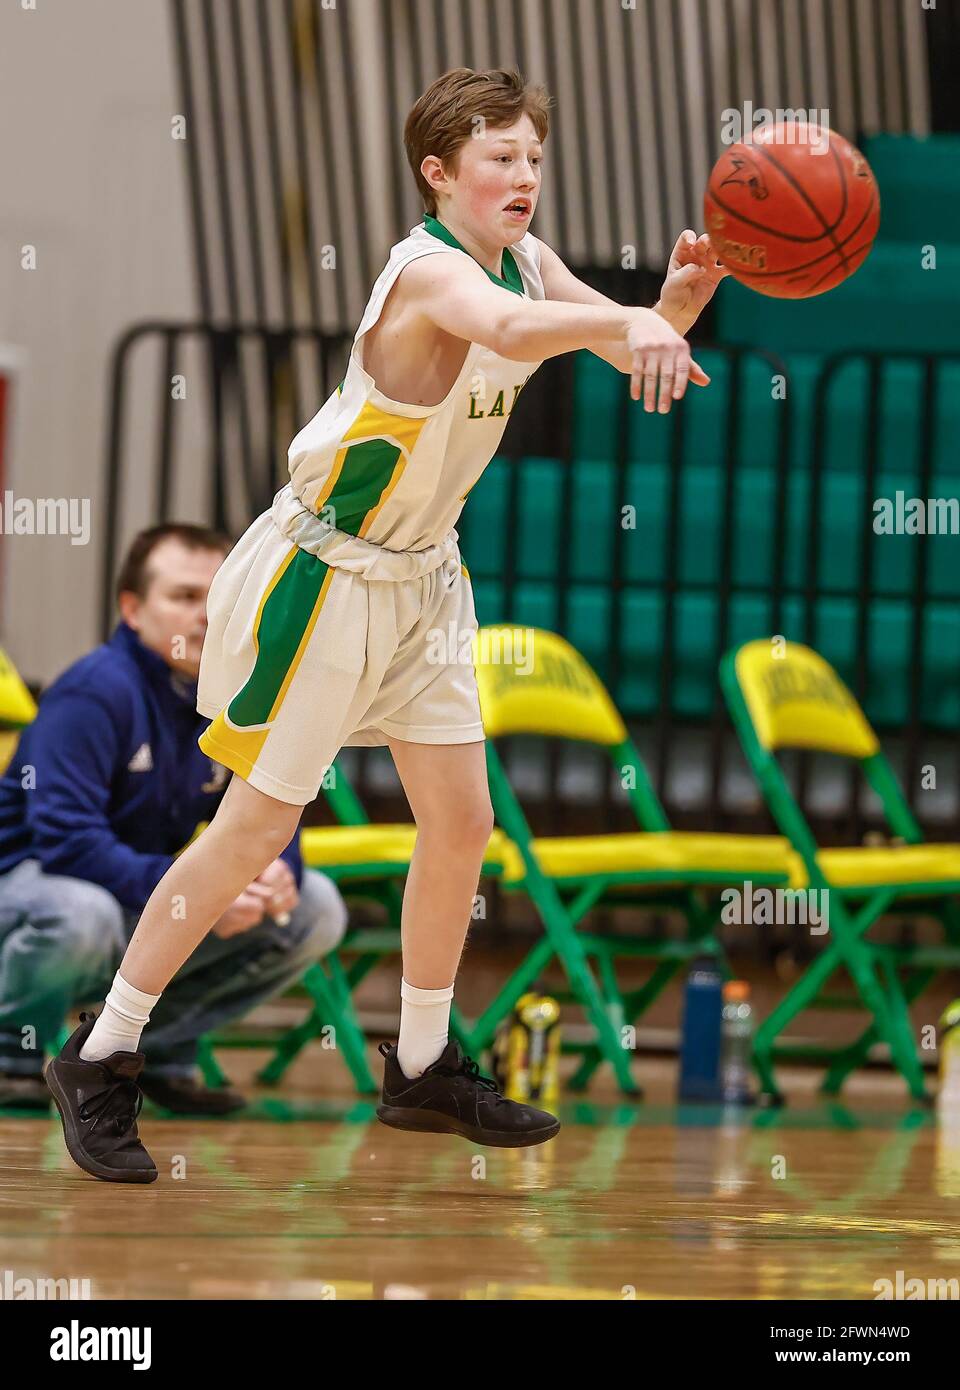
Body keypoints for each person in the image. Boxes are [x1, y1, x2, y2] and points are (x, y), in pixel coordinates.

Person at [46, 66, 727, 1183]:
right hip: (324, 573)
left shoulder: (526, 260)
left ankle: (419, 1063)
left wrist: (667, 316)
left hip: (424, 575)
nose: (523, 177)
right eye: (499, 157)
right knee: (251, 836)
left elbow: (594, 340)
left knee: (462, 822)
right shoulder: (428, 272)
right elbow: (508, 327)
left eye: (534, 158)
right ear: (438, 170)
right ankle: (104, 1052)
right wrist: (632, 316)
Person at [0, 524, 346, 1115]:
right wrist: (201, 894)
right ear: (132, 609)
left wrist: (274, 873)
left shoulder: (231, 698)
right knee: (82, 912)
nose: (207, 615)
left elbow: (267, 813)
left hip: (130, 892)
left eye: (218, 598)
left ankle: (143, 1053)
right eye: (184, 597)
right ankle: (12, 1056)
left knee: (313, 908)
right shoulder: (93, 692)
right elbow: (69, 846)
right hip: (34, 890)